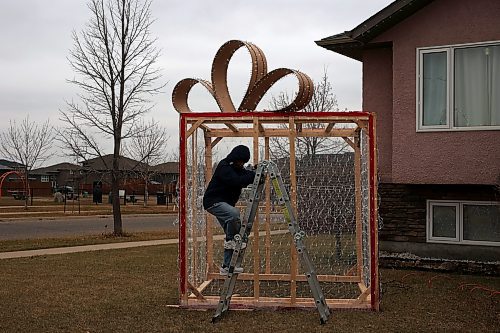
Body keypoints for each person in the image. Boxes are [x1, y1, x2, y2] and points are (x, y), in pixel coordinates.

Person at [203, 145, 255, 275]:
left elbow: (246, 175)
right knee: (234, 214)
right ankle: (230, 242)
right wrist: (253, 176)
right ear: (235, 158)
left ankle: (226, 267)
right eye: (240, 161)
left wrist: (255, 173)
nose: (241, 164)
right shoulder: (224, 167)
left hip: (224, 203)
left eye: (244, 162)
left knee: (233, 233)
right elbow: (236, 181)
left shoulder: (238, 168)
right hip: (213, 202)